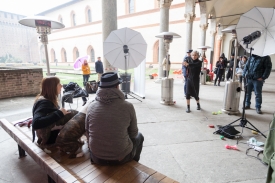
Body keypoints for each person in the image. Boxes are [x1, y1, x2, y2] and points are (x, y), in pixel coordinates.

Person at [85, 72, 144, 165]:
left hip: (96, 157)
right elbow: (134, 134)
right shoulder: (127, 106)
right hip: (120, 158)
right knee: (139, 136)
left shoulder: (91, 106)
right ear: (117, 87)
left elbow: (87, 131)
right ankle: (133, 165)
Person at [32, 77, 72, 145]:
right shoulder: (45, 102)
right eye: (59, 84)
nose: (61, 85)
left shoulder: (46, 99)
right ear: (52, 87)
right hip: (49, 137)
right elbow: (36, 123)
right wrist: (60, 113)